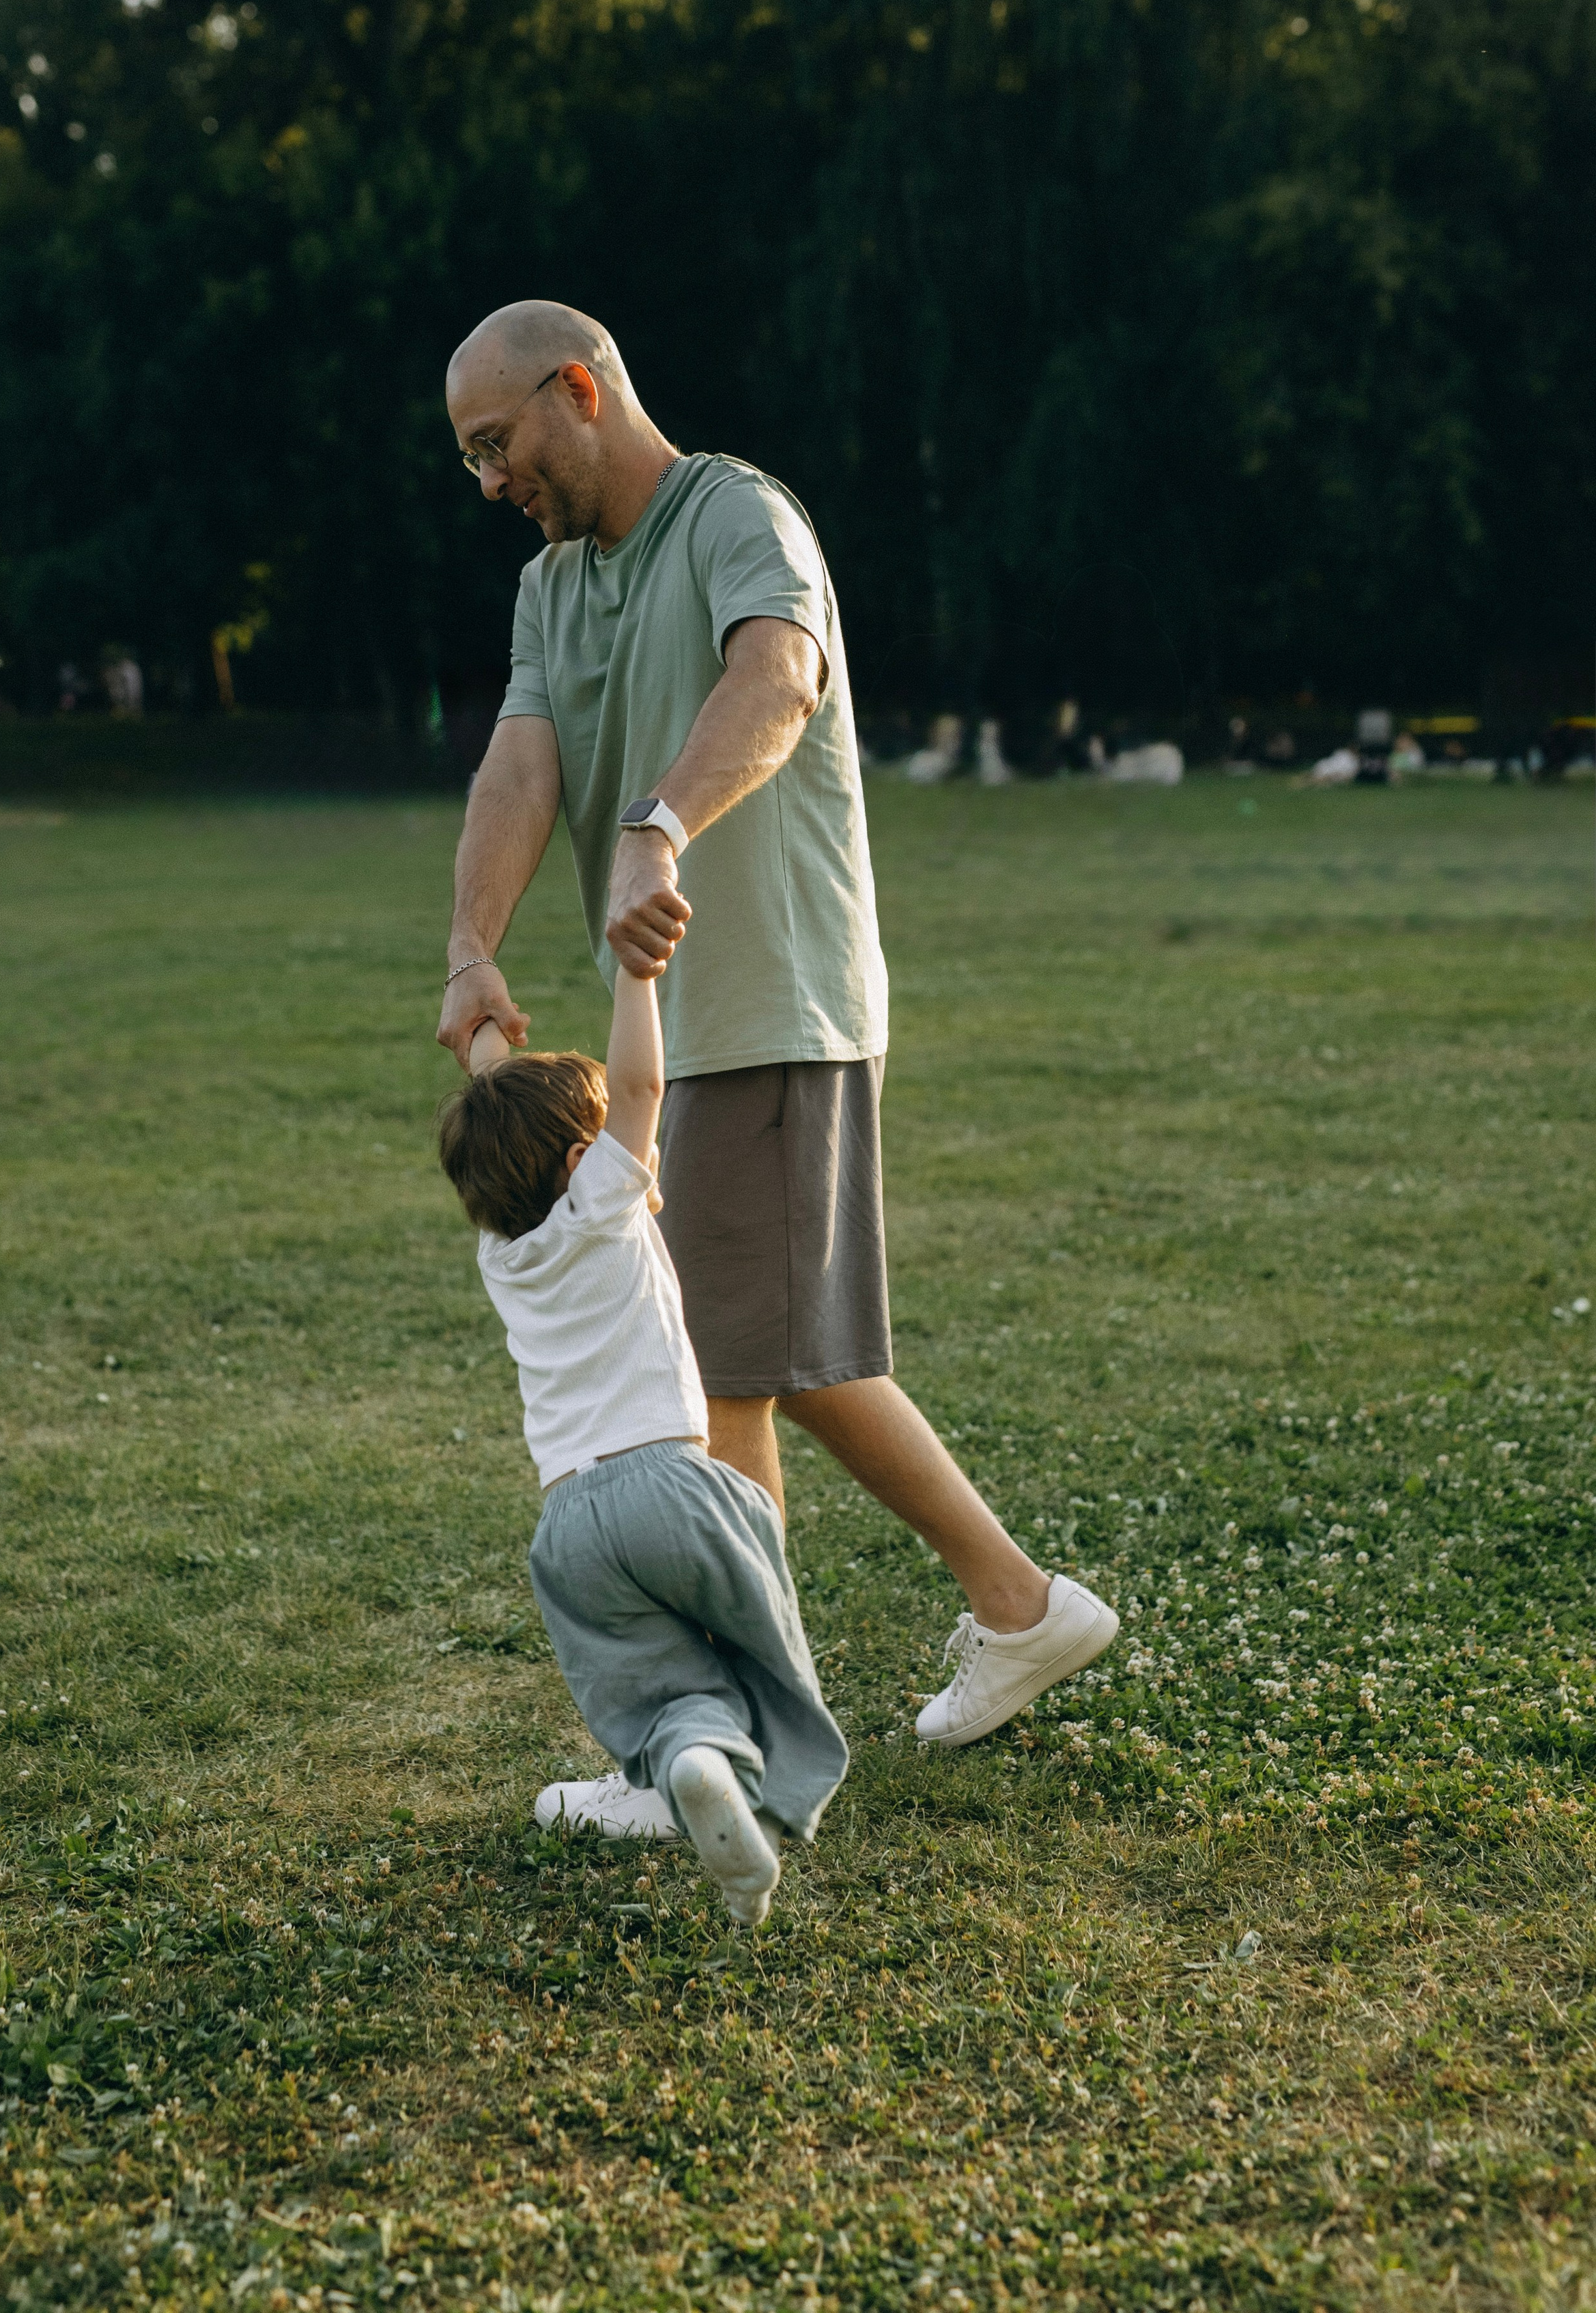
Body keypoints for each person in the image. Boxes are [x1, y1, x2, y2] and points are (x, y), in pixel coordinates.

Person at [438, 298, 1116, 1821]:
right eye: (468, 461)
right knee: (765, 1364)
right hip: (692, 1023)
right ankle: (970, 1629)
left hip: (770, 1004)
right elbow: (519, 759)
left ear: (577, 390)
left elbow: (778, 679)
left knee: (743, 1370)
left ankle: (743, 1729)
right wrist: (472, 944)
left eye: (498, 445)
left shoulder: (736, 513)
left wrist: (660, 821)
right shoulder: (556, 585)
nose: (489, 482)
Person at [438, 970, 848, 1924]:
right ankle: (762, 1793)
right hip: (670, 1483)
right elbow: (641, 1091)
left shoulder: (504, 1253)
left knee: (664, 1689)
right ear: (591, 1157)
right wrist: (639, 975)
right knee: (761, 1656)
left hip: (571, 1531)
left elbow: (512, 1122)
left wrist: (484, 1040)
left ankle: (691, 1763)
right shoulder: (607, 1209)